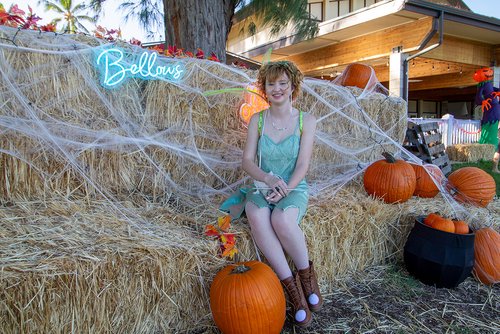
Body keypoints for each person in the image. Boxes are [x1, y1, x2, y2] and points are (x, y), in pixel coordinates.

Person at [220, 60, 322, 327]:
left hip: (293, 186)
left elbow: (303, 165)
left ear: (292, 87)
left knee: (282, 220)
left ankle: (307, 277)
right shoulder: (258, 120)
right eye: (271, 83)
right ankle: (294, 292)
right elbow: (247, 161)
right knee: (257, 214)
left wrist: (285, 187)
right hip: (262, 184)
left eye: (282, 83)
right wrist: (266, 178)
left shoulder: (306, 121)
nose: (276, 88)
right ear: (264, 88)